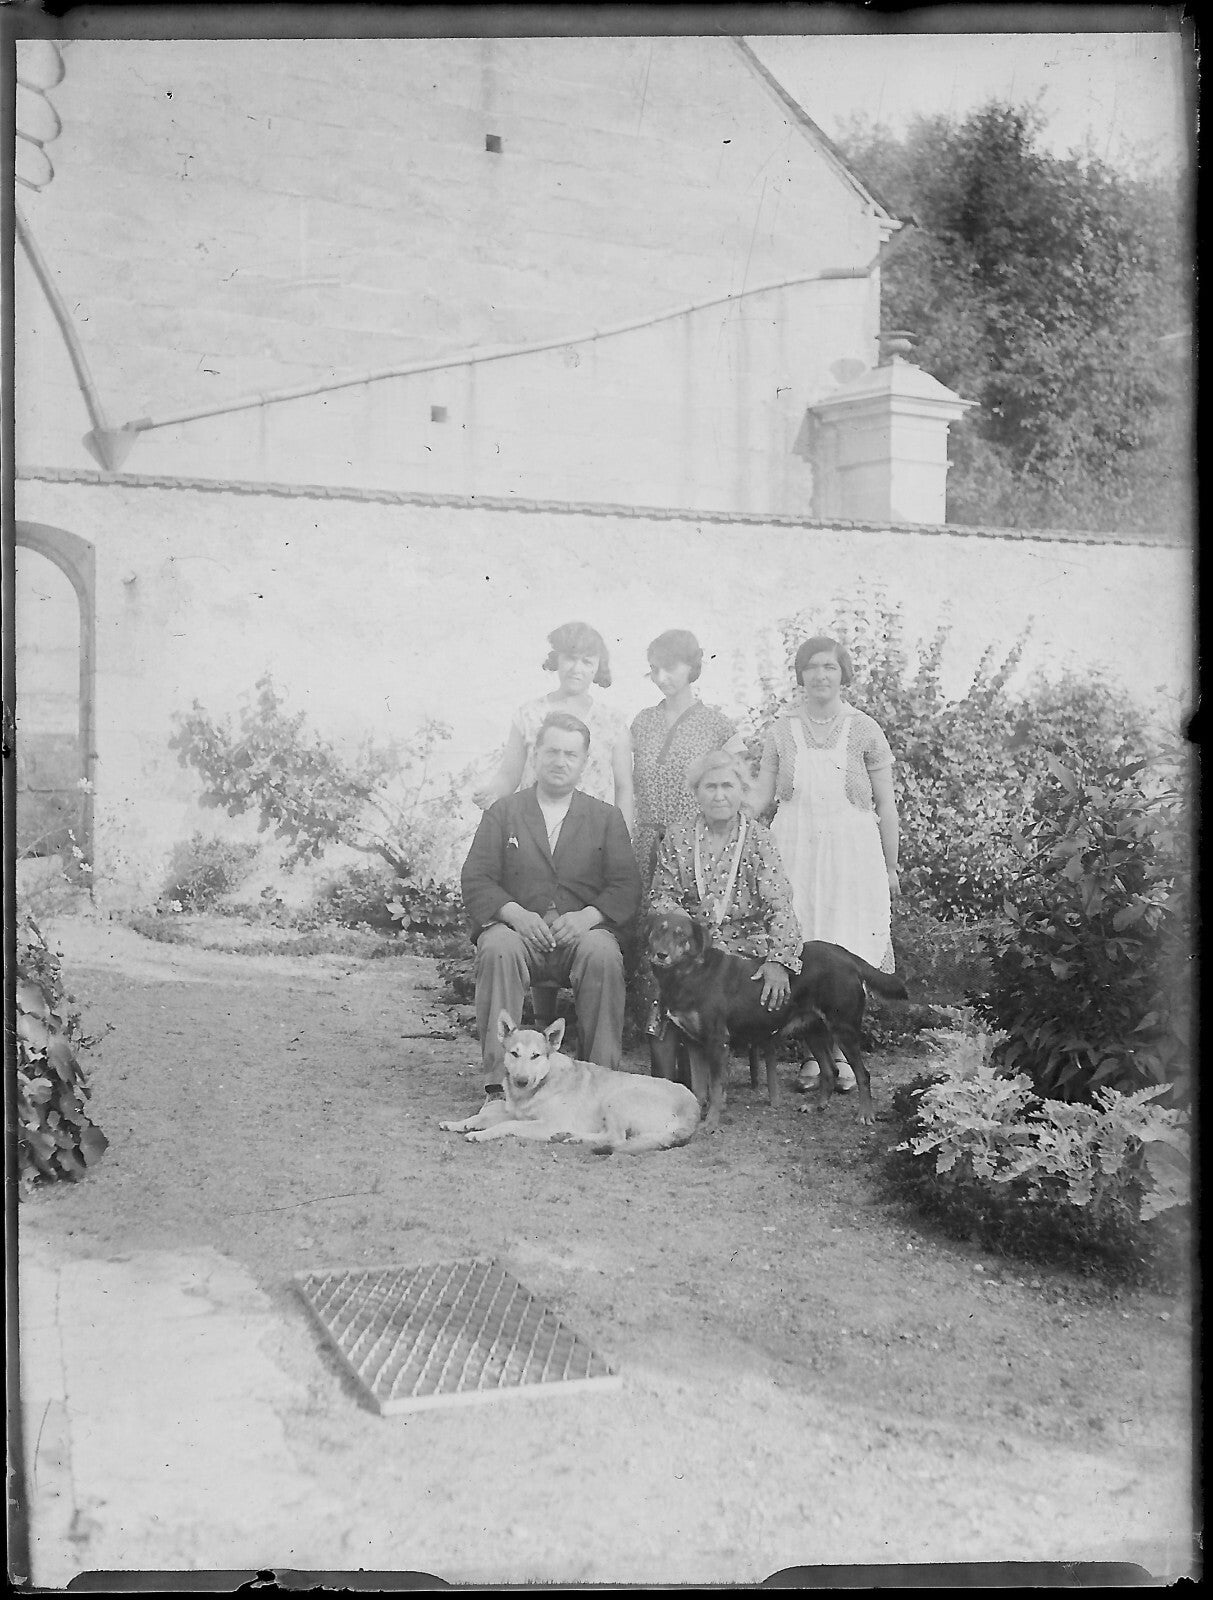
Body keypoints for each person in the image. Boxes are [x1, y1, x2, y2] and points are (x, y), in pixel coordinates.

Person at [461, 711, 642, 1094]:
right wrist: (517, 915)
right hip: (520, 936)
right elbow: (476, 876)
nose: (560, 761)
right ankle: (500, 1082)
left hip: (580, 936)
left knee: (603, 952)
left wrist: (587, 918)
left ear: (584, 762)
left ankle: (599, 1084)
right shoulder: (504, 812)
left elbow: (627, 884)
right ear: (536, 755)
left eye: (570, 755)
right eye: (552, 751)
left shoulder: (605, 817)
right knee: (496, 947)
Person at [749, 636, 900, 1089]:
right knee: (803, 946)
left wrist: (891, 869)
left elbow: (886, 806)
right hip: (795, 849)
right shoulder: (781, 730)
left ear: (843, 674)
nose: (821, 675)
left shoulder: (865, 729)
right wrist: (725, 815)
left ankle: (842, 1053)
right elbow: (760, 796)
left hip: (852, 852)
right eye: (812, 667)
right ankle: (813, 1059)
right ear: (800, 674)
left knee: (847, 946)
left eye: (830, 667)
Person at [649, 750, 803, 1015]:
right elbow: (662, 896)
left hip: (743, 954)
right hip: (690, 949)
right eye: (710, 787)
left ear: (742, 791)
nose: (719, 795)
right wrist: (688, 934)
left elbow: (779, 906)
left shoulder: (760, 840)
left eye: (727, 786)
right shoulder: (678, 837)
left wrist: (779, 961)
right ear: (696, 793)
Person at [472, 620, 634, 830]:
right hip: (535, 831)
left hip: (592, 835)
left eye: (587, 662)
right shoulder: (529, 715)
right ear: (557, 659)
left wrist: (622, 844)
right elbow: (509, 775)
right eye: (570, 659)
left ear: (597, 666)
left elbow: (623, 789)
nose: (577, 669)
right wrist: (491, 792)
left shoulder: (613, 723)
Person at [630, 629, 746, 888]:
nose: (661, 677)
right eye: (654, 669)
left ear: (692, 666)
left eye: (670, 667)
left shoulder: (717, 725)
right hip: (645, 845)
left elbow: (742, 788)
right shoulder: (642, 721)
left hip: (697, 845)